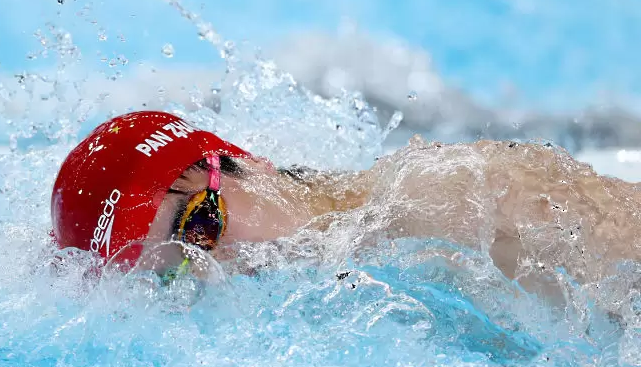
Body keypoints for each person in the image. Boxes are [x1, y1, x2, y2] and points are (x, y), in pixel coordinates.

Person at [51, 110, 641, 297]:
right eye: (177, 272)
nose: (218, 264)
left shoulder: (458, 193)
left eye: (201, 226)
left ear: (247, 165)